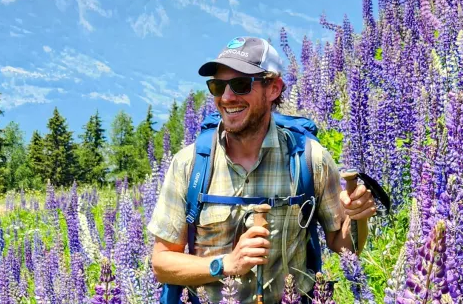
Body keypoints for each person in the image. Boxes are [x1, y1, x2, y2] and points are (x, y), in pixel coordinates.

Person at [147, 36, 377, 303]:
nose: (227, 96)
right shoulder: (190, 165)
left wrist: (358, 216)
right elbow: (162, 262)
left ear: (273, 89)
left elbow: (343, 245)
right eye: (217, 86)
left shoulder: (309, 159)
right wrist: (226, 264)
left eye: (241, 85)